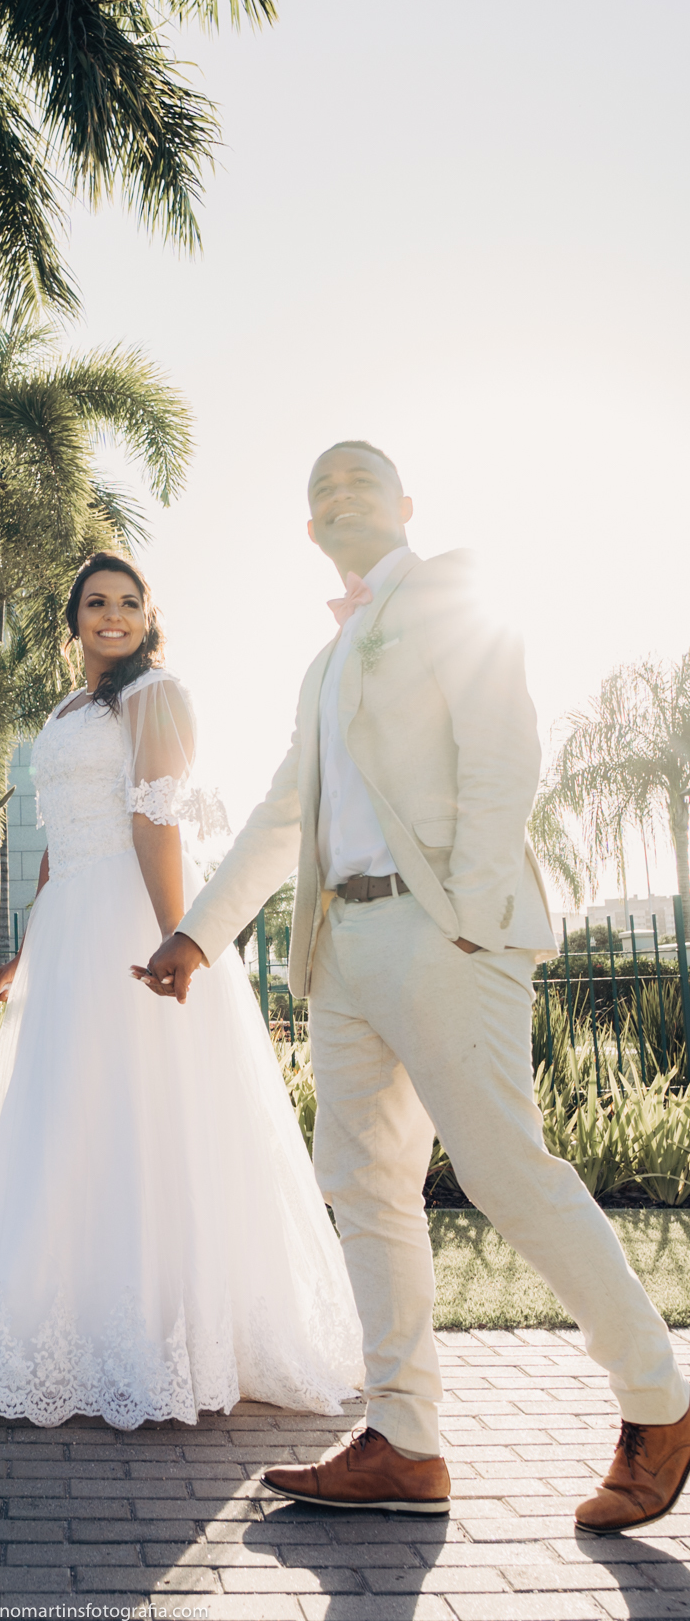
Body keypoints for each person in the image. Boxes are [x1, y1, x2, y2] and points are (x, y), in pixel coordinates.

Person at [140, 443, 690, 1532]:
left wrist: (473, 917)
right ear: (309, 531)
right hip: (340, 946)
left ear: (404, 505)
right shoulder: (321, 664)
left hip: (442, 934)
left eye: (359, 480)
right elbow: (279, 814)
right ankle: (405, 1439)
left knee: (507, 1175)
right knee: (364, 1186)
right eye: (320, 491)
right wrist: (200, 936)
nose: (339, 496)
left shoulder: (453, 599)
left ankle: (659, 1403)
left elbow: (502, 758)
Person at [0, 552, 363, 1429]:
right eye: (95, 603)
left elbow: (157, 820)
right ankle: (69, 1340)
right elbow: (53, 847)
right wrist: (18, 961)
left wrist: (173, 940)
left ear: (149, 616)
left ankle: (167, 1337)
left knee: (146, 1111)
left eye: (127, 603)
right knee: (66, 1118)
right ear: (72, 619)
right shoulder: (71, 708)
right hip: (70, 922)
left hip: (129, 918)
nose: (111, 615)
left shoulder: (156, 695)